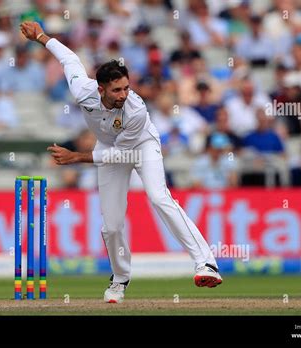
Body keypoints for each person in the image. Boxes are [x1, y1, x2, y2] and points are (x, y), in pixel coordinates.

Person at [20, 21, 222, 303]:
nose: (123, 95)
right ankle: (119, 279)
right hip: (108, 146)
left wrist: (76, 157)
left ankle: (206, 263)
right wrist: (41, 37)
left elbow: (122, 153)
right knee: (111, 225)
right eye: (117, 90)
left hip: (141, 144)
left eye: (126, 88)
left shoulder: (135, 110)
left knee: (159, 196)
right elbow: (69, 58)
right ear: (100, 89)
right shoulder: (82, 90)